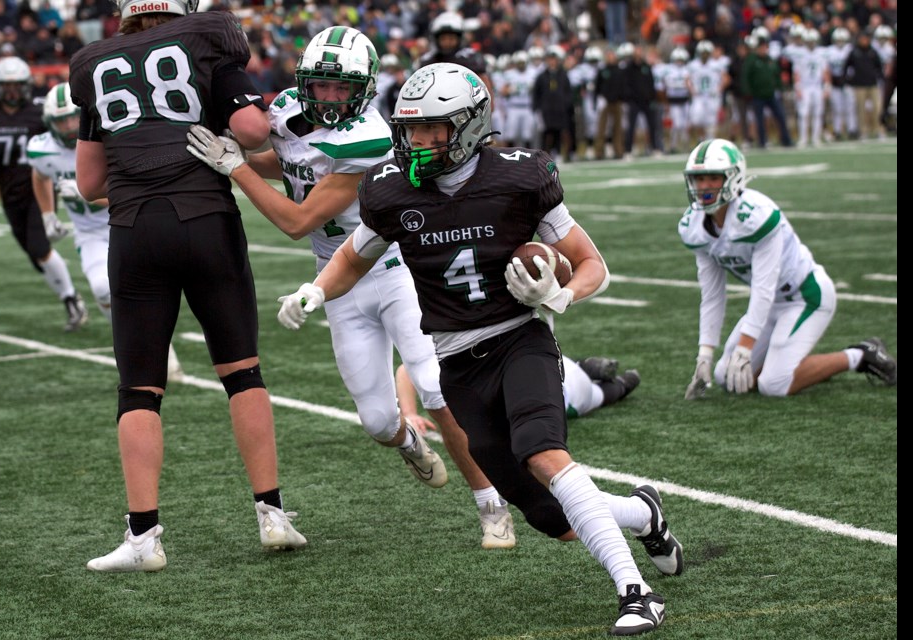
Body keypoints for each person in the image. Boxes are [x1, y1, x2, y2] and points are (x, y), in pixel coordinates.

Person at [275, 62, 682, 635]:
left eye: (433, 130)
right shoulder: (391, 189)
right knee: (550, 517)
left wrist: (562, 294)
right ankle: (644, 513)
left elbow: (592, 263)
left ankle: (636, 592)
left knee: (543, 454)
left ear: (468, 125)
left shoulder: (519, 176)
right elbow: (353, 256)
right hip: (455, 360)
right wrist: (315, 290)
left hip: (519, 340)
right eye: (411, 129)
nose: (418, 141)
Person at [186, 26, 518, 550]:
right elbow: (293, 165)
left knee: (434, 387)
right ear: (304, 83)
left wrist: (234, 169)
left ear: (364, 89)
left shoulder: (369, 137)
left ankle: (491, 502)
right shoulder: (289, 108)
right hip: (337, 283)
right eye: (321, 86)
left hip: (392, 270)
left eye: (343, 89)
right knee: (378, 420)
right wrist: (249, 158)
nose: (330, 98)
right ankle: (408, 441)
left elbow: (296, 219)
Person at [69, 0, 305, 573]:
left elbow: (88, 182)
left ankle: (144, 537)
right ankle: (271, 514)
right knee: (241, 371)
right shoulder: (206, 41)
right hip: (205, 223)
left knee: (139, 390)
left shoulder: (96, 64)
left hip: (131, 231)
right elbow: (250, 129)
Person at [680, 138, 897, 400]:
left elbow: (764, 286)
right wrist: (704, 355)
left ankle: (860, 355)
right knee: (725, 376)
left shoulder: (755, 215)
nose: (704, 187)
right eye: (699, 179)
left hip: (806, 296)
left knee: (774, 385)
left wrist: (745, 349)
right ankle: (796, 366)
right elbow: (713, 296)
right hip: (770, 305)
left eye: (713, 178)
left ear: (733, 178)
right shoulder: (693, 227)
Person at [27, 82, 184, 381]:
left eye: (72, 118)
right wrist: (48, 214)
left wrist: (88, 193)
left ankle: (161, 346)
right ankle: (135, 347)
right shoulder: (42, 149)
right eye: (61, 121)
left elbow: (134, 192)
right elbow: (40, 175)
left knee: (153, 287)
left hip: (129, 219)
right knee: (102, 288)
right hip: (90, 232)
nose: (69, 126)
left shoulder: (105, 140)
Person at [0, 56, 89, 331]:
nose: (12, 92)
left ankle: (72, 300)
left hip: (39, 186)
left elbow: (67, 137)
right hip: (9, 194)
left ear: (26, 85)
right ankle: (70, 297)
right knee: (35, 257)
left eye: (17, 85)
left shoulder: (39, 110)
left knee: (39, 248)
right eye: (6, 86)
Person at [396, 354, 640, 424]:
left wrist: (410, 413)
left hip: (568, 392)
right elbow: (408, 369)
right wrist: (409, 413)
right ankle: (587, 363)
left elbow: (407, 369)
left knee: (599, 396)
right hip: (547, 361)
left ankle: (622, 383)